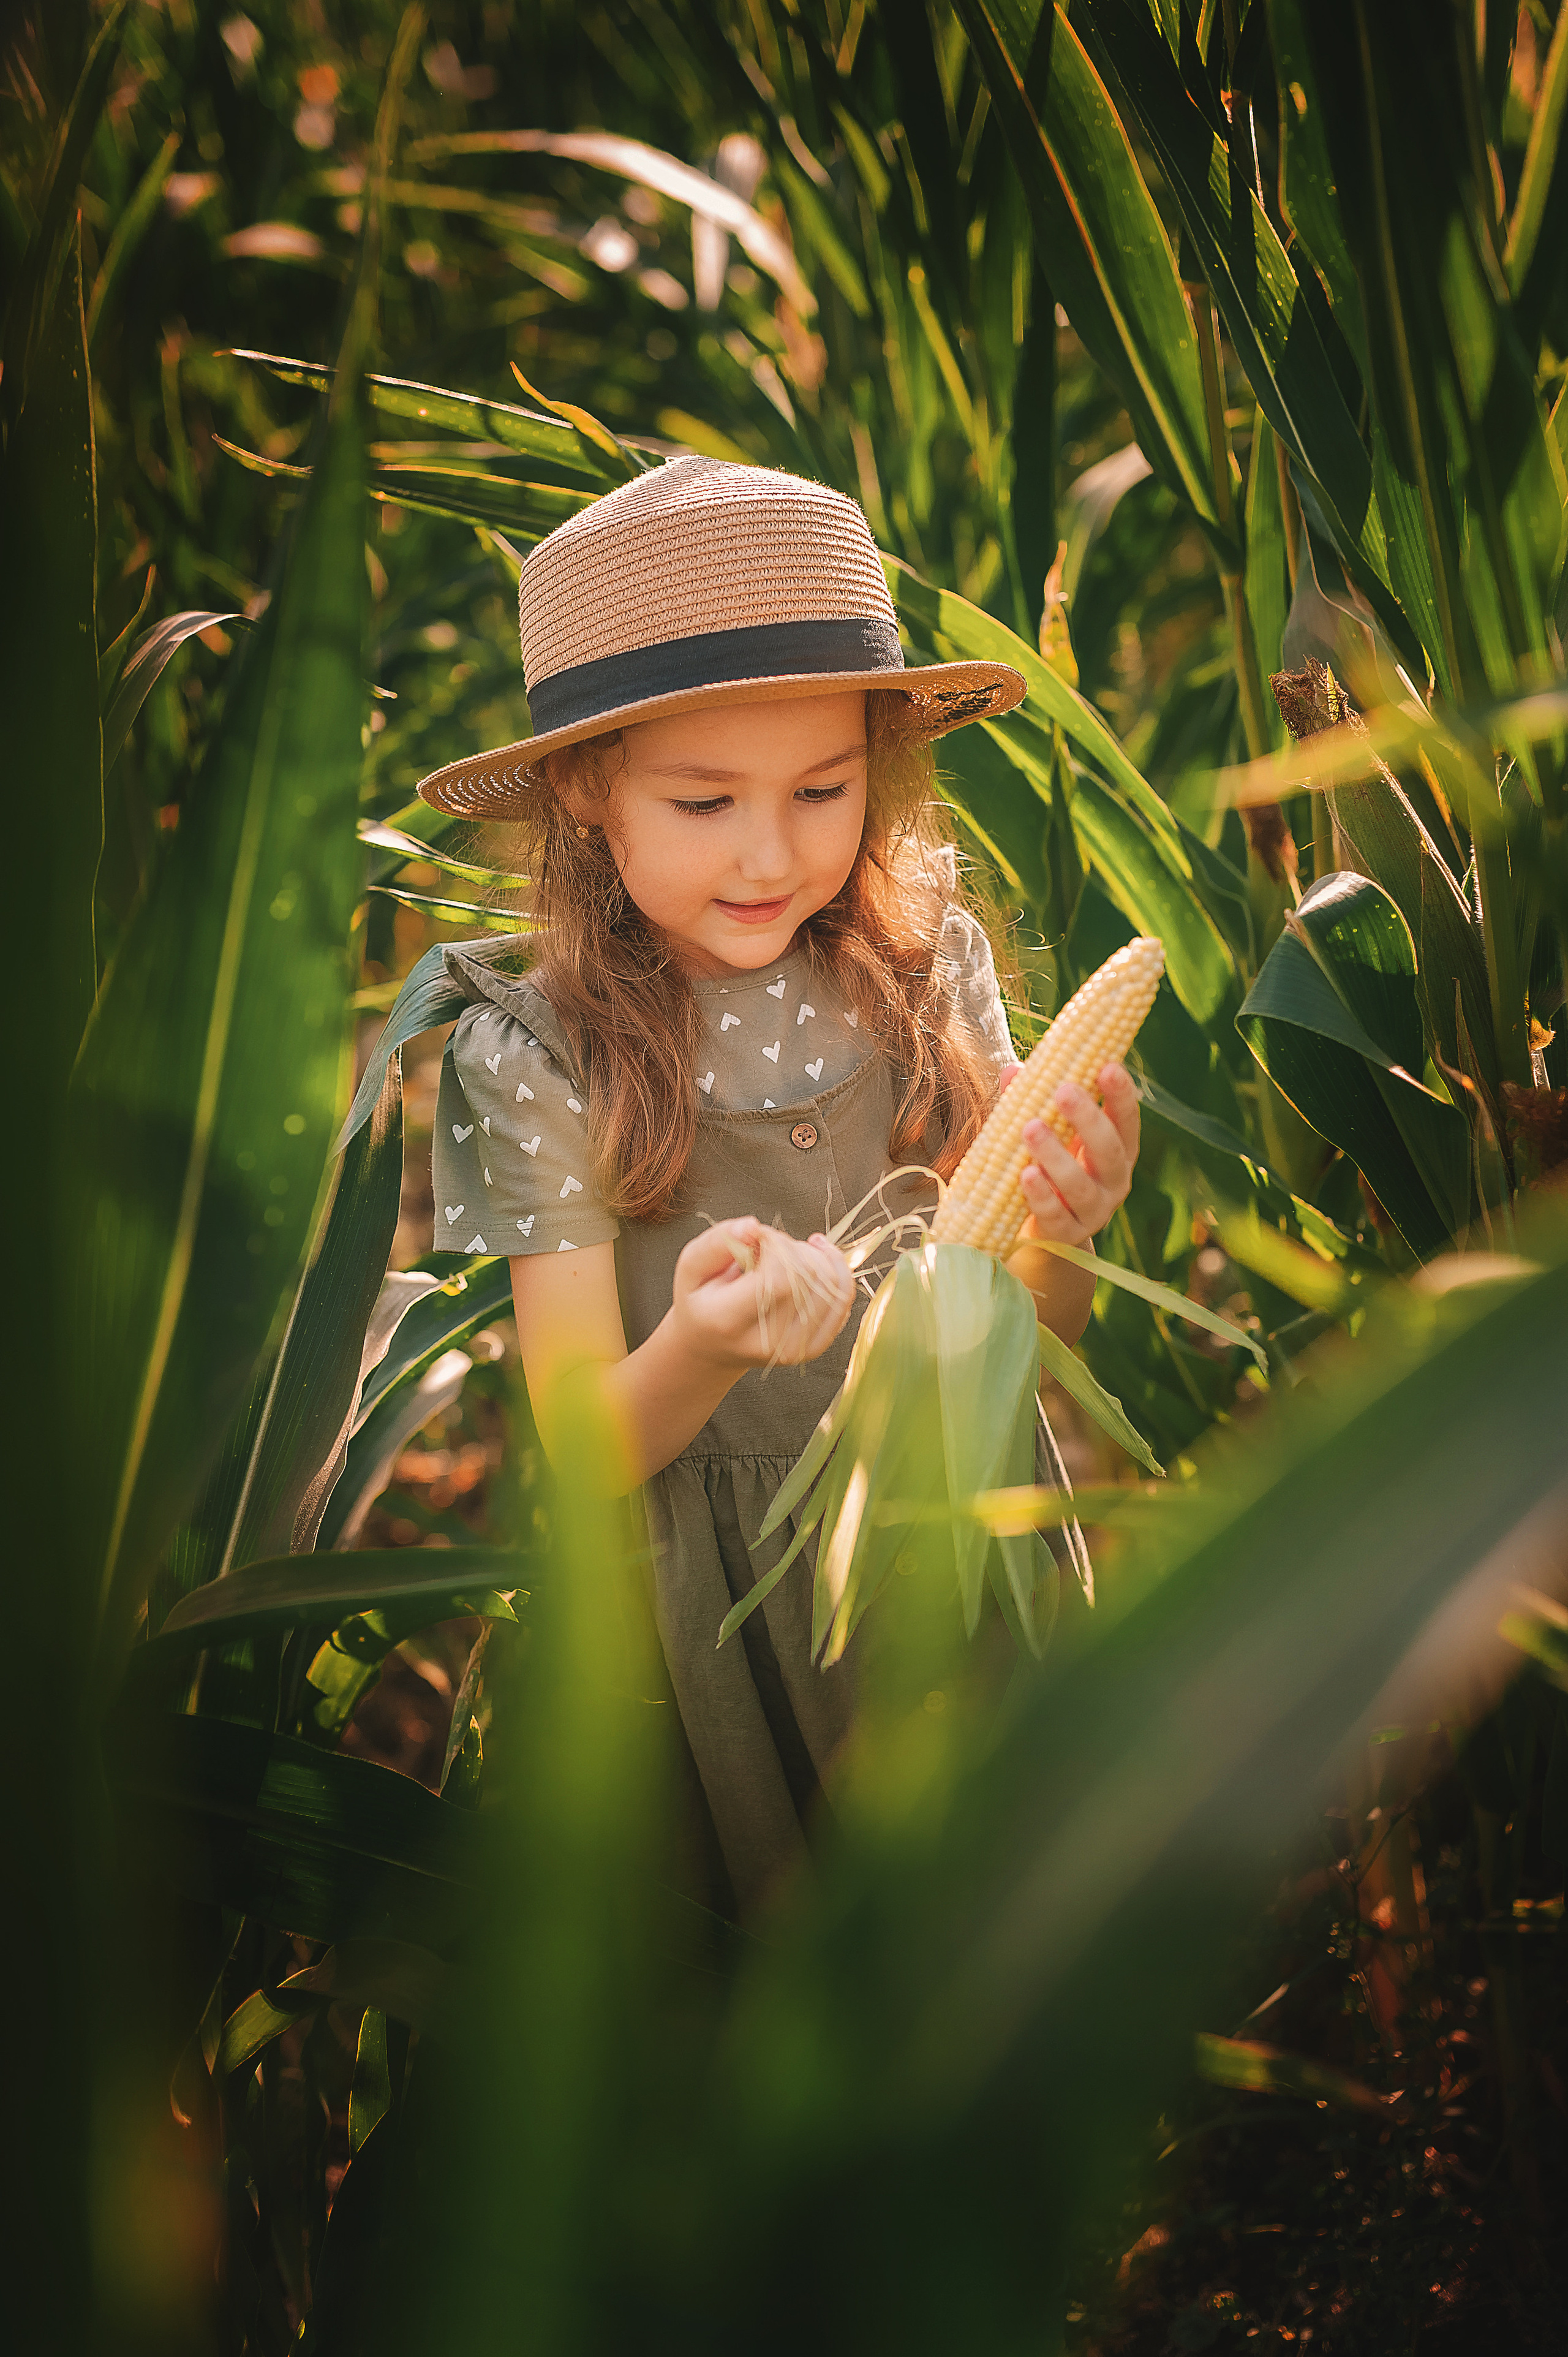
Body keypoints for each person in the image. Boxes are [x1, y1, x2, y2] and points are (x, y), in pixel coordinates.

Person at [421, 456, 1142, 1914]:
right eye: (702, 802)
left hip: (954, 1558)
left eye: (821, 790)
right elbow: (581, 1439)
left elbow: (1026, 1325)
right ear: (583, 791)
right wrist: (697, 1343)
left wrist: (1065, 1219)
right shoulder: (537, 1055)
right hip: (719, 1633)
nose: (770, 852)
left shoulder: (926, 971)